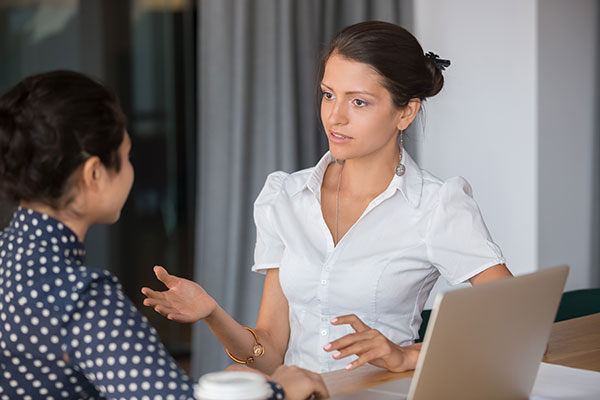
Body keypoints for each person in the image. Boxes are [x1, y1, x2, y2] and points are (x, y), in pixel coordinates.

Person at [142, 20, 512, 375]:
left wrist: (406, 356)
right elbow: (270, 352)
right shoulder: (286, 196)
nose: (335, 117)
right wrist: (212, 314)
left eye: (359, 102)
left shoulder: (436, 206)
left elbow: (522, 330)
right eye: (329, 95)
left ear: (406, 112)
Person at [0, 70, 328, 400]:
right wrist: (277, 390)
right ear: (94, 174)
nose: (131, 169)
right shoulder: (80, 299)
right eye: (126, 157)